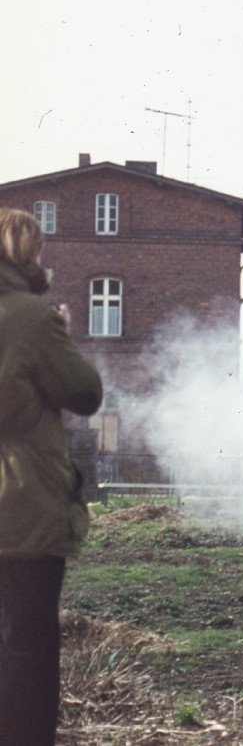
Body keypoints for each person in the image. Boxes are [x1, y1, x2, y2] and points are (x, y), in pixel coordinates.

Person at [0, 207, 103, 745]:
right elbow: (85, 393)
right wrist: (58, 329)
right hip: (20, 505)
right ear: (24, 254)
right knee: (26, 645)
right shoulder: (30, 316)